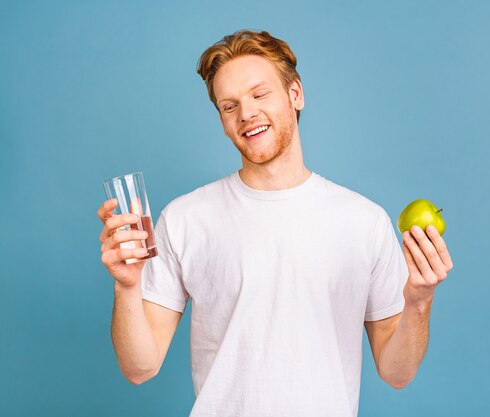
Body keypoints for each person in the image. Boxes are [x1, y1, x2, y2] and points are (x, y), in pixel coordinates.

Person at [97, 29, 454, 417]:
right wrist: (127, 286)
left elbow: (396, 372)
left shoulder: (363, 221)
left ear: (295, 94)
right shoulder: (184, 218)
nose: (246, 113)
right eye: (228, 105)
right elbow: (139, 367)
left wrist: (419, 301)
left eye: (259, 93)